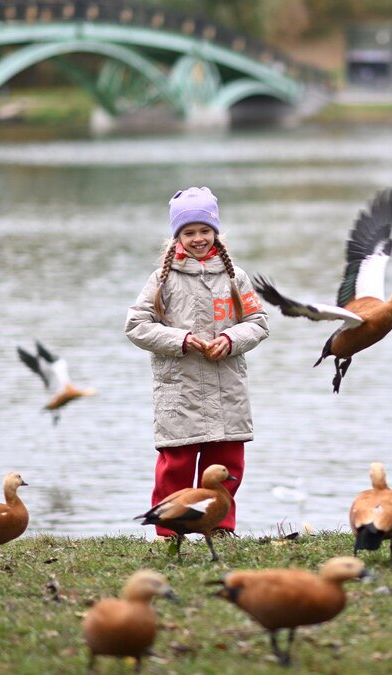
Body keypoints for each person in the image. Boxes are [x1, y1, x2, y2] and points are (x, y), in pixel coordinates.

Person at [125, 187, 269, 536]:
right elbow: (136, 326)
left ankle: (220, 526)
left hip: (226, 389)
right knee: (177, 465)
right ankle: (169, 530)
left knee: (227, 465)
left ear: (216, 233)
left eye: (204, 231)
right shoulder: (162, 280)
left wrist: (231, 339)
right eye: (189, 232)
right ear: (177, 236)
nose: (198, 238)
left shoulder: (236, 277)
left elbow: (259, 322)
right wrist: (183, 341)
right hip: (181, 391)